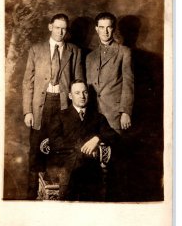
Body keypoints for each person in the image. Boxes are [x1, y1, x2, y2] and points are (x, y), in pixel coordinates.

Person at [22, 13, 83, 199]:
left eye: (64, 28)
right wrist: (28, 111)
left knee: (62, 149)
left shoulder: (75, 51)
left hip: (64, 105)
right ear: (50, 27)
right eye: (57, 27)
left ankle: (60, 196)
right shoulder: (36, 50)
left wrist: (77, 111)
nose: (60, 32)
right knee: (36, 151)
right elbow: (27, 83)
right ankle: (31, 197)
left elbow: (79, 82)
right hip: (41, 105)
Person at [40, 79, 121, 201]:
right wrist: (82, 148)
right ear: (70, 96)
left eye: (85, 92)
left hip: (90, 166)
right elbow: (55, 142)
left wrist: (97, 139)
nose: (82, 96)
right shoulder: (60, 116)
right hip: (64, 164)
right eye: (77, 93)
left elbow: (114, 137)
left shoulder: (97, 117)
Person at [86, 12, 134, 134]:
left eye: (109, 27)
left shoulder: (124, 52)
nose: (105, 31)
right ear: (96, 29)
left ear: (113, 28)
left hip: (114, 114)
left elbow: (128, 84)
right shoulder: (90, 57)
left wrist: (126, 112)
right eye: (101, 27)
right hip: (93, 114)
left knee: (116, 150)